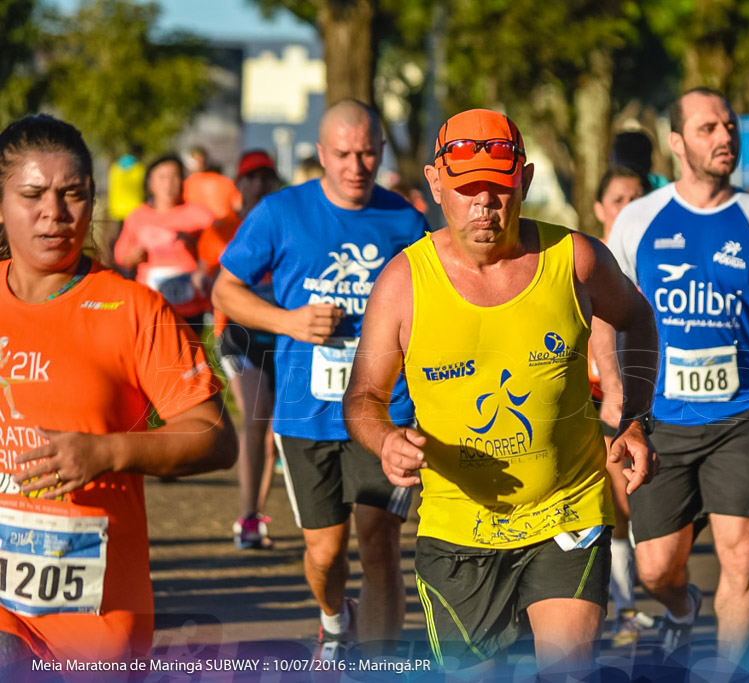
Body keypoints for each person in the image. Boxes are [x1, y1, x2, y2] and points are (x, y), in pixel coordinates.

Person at [342, 108, 660, 676]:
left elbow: (635, 317)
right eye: (468, 189)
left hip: (567, 511)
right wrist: (386, 440)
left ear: (527, 181)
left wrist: (635, 415)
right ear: (436, 184)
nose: (484, 203)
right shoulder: (404, 283)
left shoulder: (575, 259)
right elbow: (363, 398)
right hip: (458, 527)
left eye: (499, 187)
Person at [605, 87, 749, 663]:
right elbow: (604, 318)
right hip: (660, 422)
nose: (725, 136)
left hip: (741, 415)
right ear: (678, 142)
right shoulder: (638, 222)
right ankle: (683, 608)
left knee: (742, 550)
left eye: (729, 126)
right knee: (657, 568)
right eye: (708, 128)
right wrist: (615, 395)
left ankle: (729, 672)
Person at [0, 114, 236, 671]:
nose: (54, 214)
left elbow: (215, 438)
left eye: (73, 195)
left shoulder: (133, 309)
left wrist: (107, 452)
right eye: (32, 194)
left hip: (96, 620)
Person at [211, 100, 430, 658]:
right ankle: (334, 618)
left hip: (385, 409)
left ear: (381, 151)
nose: (357, 165)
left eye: (368, 153)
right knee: (325, 553)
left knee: (380, 545)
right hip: (306, 412)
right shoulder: (281, 213)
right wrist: (288, 321)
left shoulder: (405, 220)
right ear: (322, 153)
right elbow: (225, 291)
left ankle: (378, 664)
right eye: (343, 154)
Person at [197, 150, 281, 550]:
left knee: (269, 432)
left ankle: (254, 515)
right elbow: (208, 278)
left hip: (282, 332)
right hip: (238, 334)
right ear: (240, 183)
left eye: (267, 177)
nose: (260, 184)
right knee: (256, 415)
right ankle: (247, 515)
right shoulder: (222, 229)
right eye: (252, 177)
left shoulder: (285, 224)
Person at [588, 166, 656, 647]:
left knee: (623, 506)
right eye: (617, 199)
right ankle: (623, 609)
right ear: (599, 208)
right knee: (605, 506)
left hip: (631, 404)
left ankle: (629, 604)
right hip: (579, 403)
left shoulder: (657, 259)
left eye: (637, 197)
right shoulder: (581, 258)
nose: (627, 207)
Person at [113, 154, 215, 335]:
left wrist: (198, 249)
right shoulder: (137, 217)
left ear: (183, 180)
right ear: (150, 183)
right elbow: (121, 256)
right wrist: (132, 257)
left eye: (174, 176)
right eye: (162, 177)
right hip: (150, 304)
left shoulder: (200, 215)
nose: (168, 183)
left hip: (191, 307)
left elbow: (220, 251)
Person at [183, 145, 241, 222]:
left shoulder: (184, 185)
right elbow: (239, 206)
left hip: (195, 231)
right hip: (226, 230)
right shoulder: (226, 182)